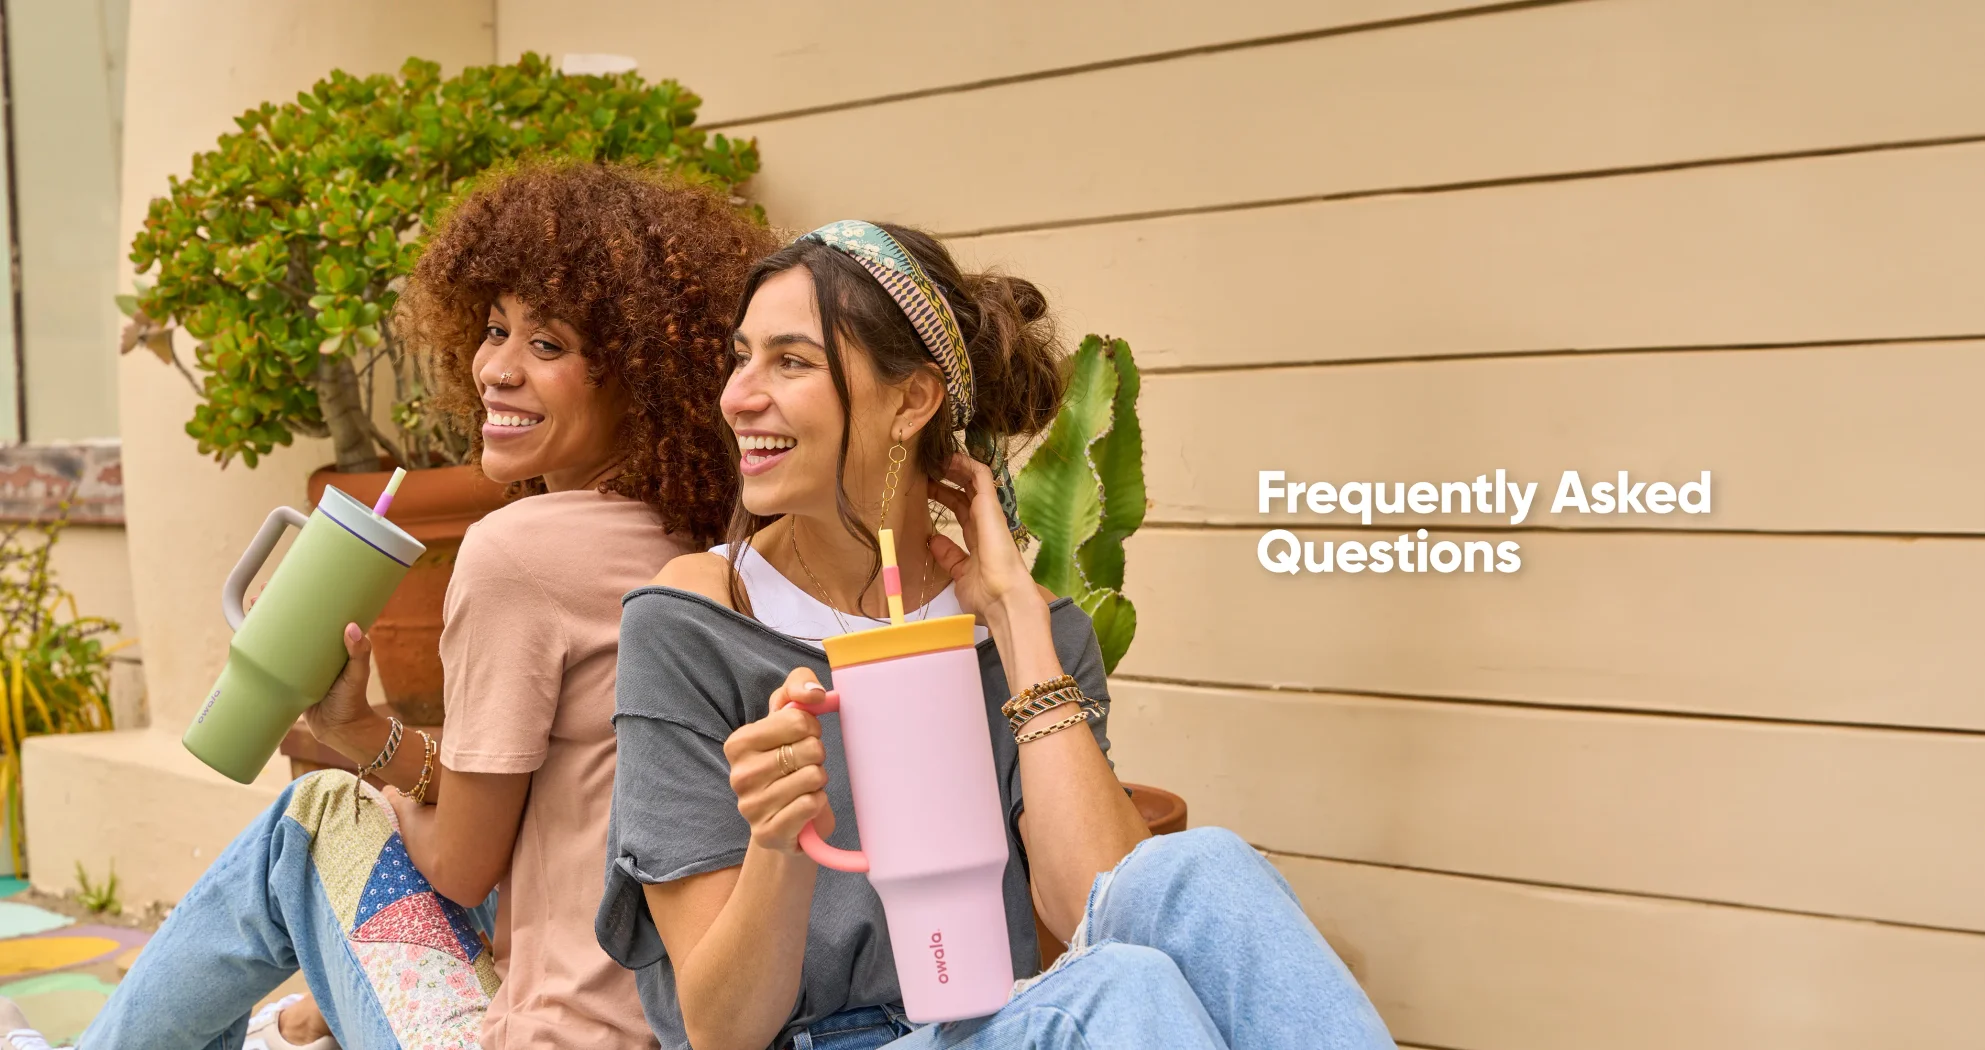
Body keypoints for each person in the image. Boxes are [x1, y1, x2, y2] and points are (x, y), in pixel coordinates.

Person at [600, 220, 1396, 1050]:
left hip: (1001, 1020)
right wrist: (778, 840)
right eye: (741, 356)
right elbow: (720, 1029)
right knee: (1116, 990)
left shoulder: (1031, 628)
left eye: (790, 361)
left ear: (911, 400)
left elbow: (1098, 898)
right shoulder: (696, 623)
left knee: (1202, 869)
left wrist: (1015, 621)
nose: (738, 395)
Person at [36, 162, 772, 1050]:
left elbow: (464, 865)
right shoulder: (706, 548)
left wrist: (354, 769)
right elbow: (530, 809)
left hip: (556, 1035)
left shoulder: (522, 553)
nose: (496, 369)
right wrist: (360, 731)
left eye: (548, 346)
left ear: (641, 375)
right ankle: (288, 1025)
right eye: (495, 329)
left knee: (310, 825)